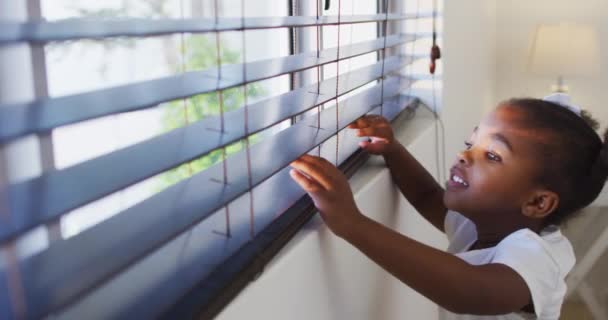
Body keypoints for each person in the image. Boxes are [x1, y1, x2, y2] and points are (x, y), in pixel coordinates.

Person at [288, 98, 608, 319]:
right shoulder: (480, 224)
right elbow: (429, 196)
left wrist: (352, 223)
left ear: (538, 202)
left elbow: (470, 290)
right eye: (471, 143)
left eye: (493, 156)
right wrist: (392, 150)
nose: (464, 156)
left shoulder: (536, 257)